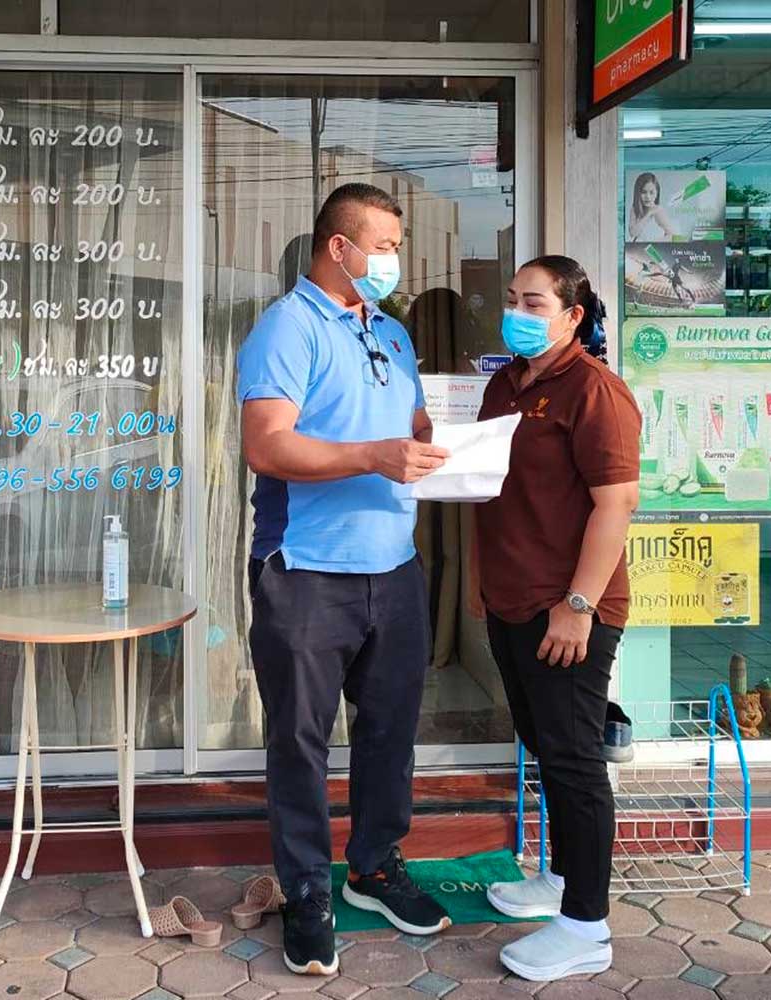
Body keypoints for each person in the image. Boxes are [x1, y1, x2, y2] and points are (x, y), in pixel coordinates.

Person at [237, 183, 454, 977]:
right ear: (340, 248)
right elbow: (267, 446)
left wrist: (466, 425)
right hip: (305, 573)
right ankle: (305, 890)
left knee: (391, 727)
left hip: (392, 567)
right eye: (385, 245)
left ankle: (373, 865)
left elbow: (412, 428)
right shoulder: (285, 329)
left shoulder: (392, 334)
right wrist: (371, 455)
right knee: (299, 741)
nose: (393, 260)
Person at [473, 255, 641, 982]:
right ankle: (561, 882)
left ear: (574, 315)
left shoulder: (596, 391)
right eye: (512, 299)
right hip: (511, 599)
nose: (518, 311)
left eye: (535, 301)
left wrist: (577, 607)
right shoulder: (507, 382)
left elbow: (617, 505)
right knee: (545, 746)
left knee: (574, 762)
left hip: (569, 610)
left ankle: (587, 926)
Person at [628, 171, 678, 242]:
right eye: (644, 192)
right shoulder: (634, 209)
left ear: (657, 193)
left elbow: (673, 236)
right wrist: (648, 214)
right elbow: (633, 233)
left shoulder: (658, 211)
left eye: (651, 192)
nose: (648, 197)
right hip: (636, 249)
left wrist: (653, 244)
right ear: (638, 192)